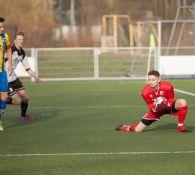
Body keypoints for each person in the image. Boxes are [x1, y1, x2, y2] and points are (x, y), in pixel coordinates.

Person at [116, 70, 189, 133]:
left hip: (168, 106)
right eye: (149, 80)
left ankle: (180, 126)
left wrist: (165, 104)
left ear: (159, 79)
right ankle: (126, 127)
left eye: (153, 80)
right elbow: (151, 106)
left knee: (183, 102)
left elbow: (171, 99)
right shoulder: (145, 92)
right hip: (156, 110)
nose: (151, 82)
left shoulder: (168, 86)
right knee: (137, 130)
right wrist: (157, 107)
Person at [6, 32, 41, 121]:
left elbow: (28, 68)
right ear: (15, 41)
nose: (21, 41)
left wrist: (36, 77)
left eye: (22, 39)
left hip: (13, 78)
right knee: (18, 101)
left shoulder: (22, 53)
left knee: (25, 97)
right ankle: (2, 101)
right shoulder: (10, 50)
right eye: (19, 39)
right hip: (5, 79)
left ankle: (23, 116)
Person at [0, 17, 12, 131]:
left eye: (3, 26)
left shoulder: (5, 37)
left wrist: (10, 64)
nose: (2, 28)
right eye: (0, 27)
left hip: (2, 72)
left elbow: (8, 49)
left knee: (4, 97)